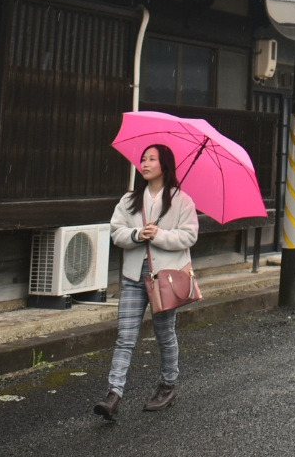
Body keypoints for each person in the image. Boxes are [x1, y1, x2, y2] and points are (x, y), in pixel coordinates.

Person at [94, 143, 199, 419]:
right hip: (133, 276)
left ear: (164, 165)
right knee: (125, 336)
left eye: (152, 159)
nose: (145, 163)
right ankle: (114, 394)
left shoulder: (181, 200)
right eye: (143, 159)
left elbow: (189, 235)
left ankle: (168, 385)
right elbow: (116, 231)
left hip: (164, 279)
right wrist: (138, 234)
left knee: (164, 333)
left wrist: (159, 235)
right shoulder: (130, 199)